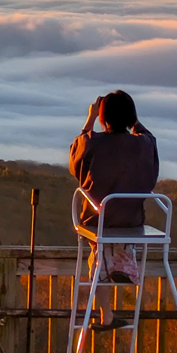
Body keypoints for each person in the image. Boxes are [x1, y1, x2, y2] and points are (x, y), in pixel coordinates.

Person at [70, 91, 159, 331]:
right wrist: (134, 120)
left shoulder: (94, 142)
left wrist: (89, 119)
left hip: (98, 220)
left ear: (103, 118)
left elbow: (75, 161)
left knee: (98, 251)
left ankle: (107, 301)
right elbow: (148, 138)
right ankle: (121, 265)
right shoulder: (143, 144)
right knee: (114, 244)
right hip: (131, 222)